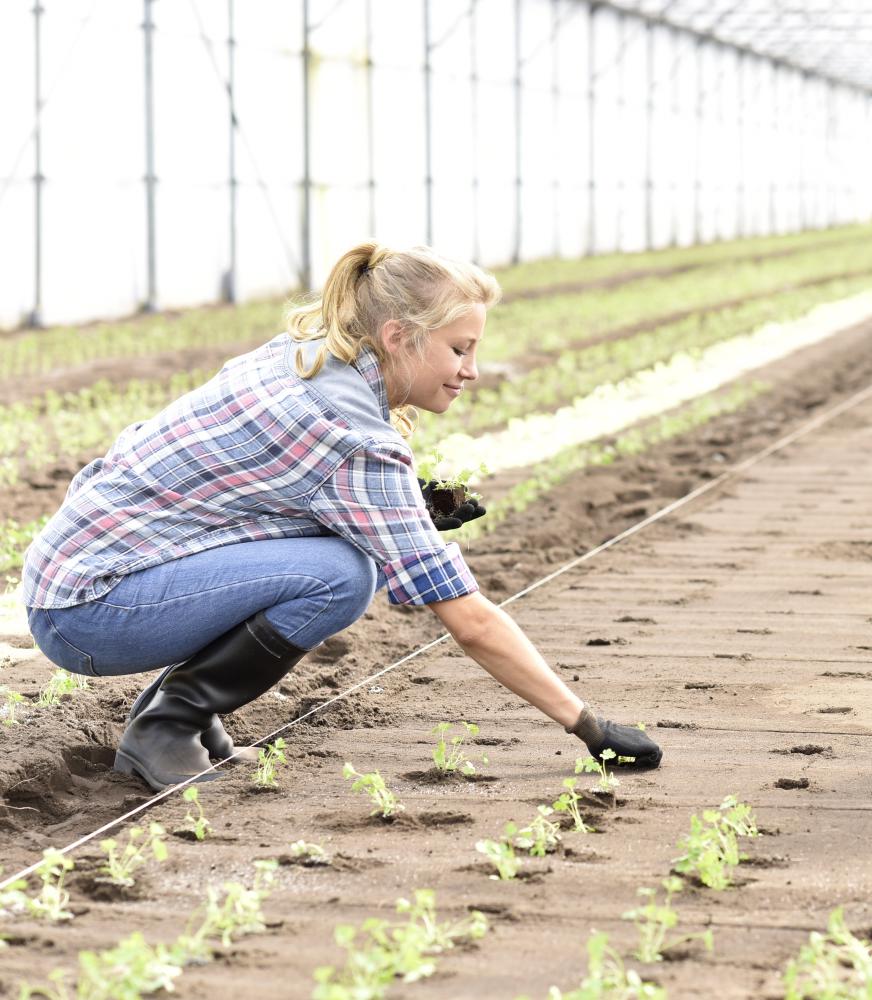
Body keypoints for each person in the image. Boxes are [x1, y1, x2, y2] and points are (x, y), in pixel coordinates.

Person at [22, 242, 662, 790]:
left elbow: (272, 495)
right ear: (397, 337)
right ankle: (168, 724)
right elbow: (468, 619)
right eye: (459, 349)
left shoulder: (308, 353)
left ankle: (178, 711)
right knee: (341, 575)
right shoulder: (349, 437)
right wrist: (587, 725)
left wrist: (408, 502)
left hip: (86, 572)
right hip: (91, 610)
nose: (472, 371)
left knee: (333, 559)